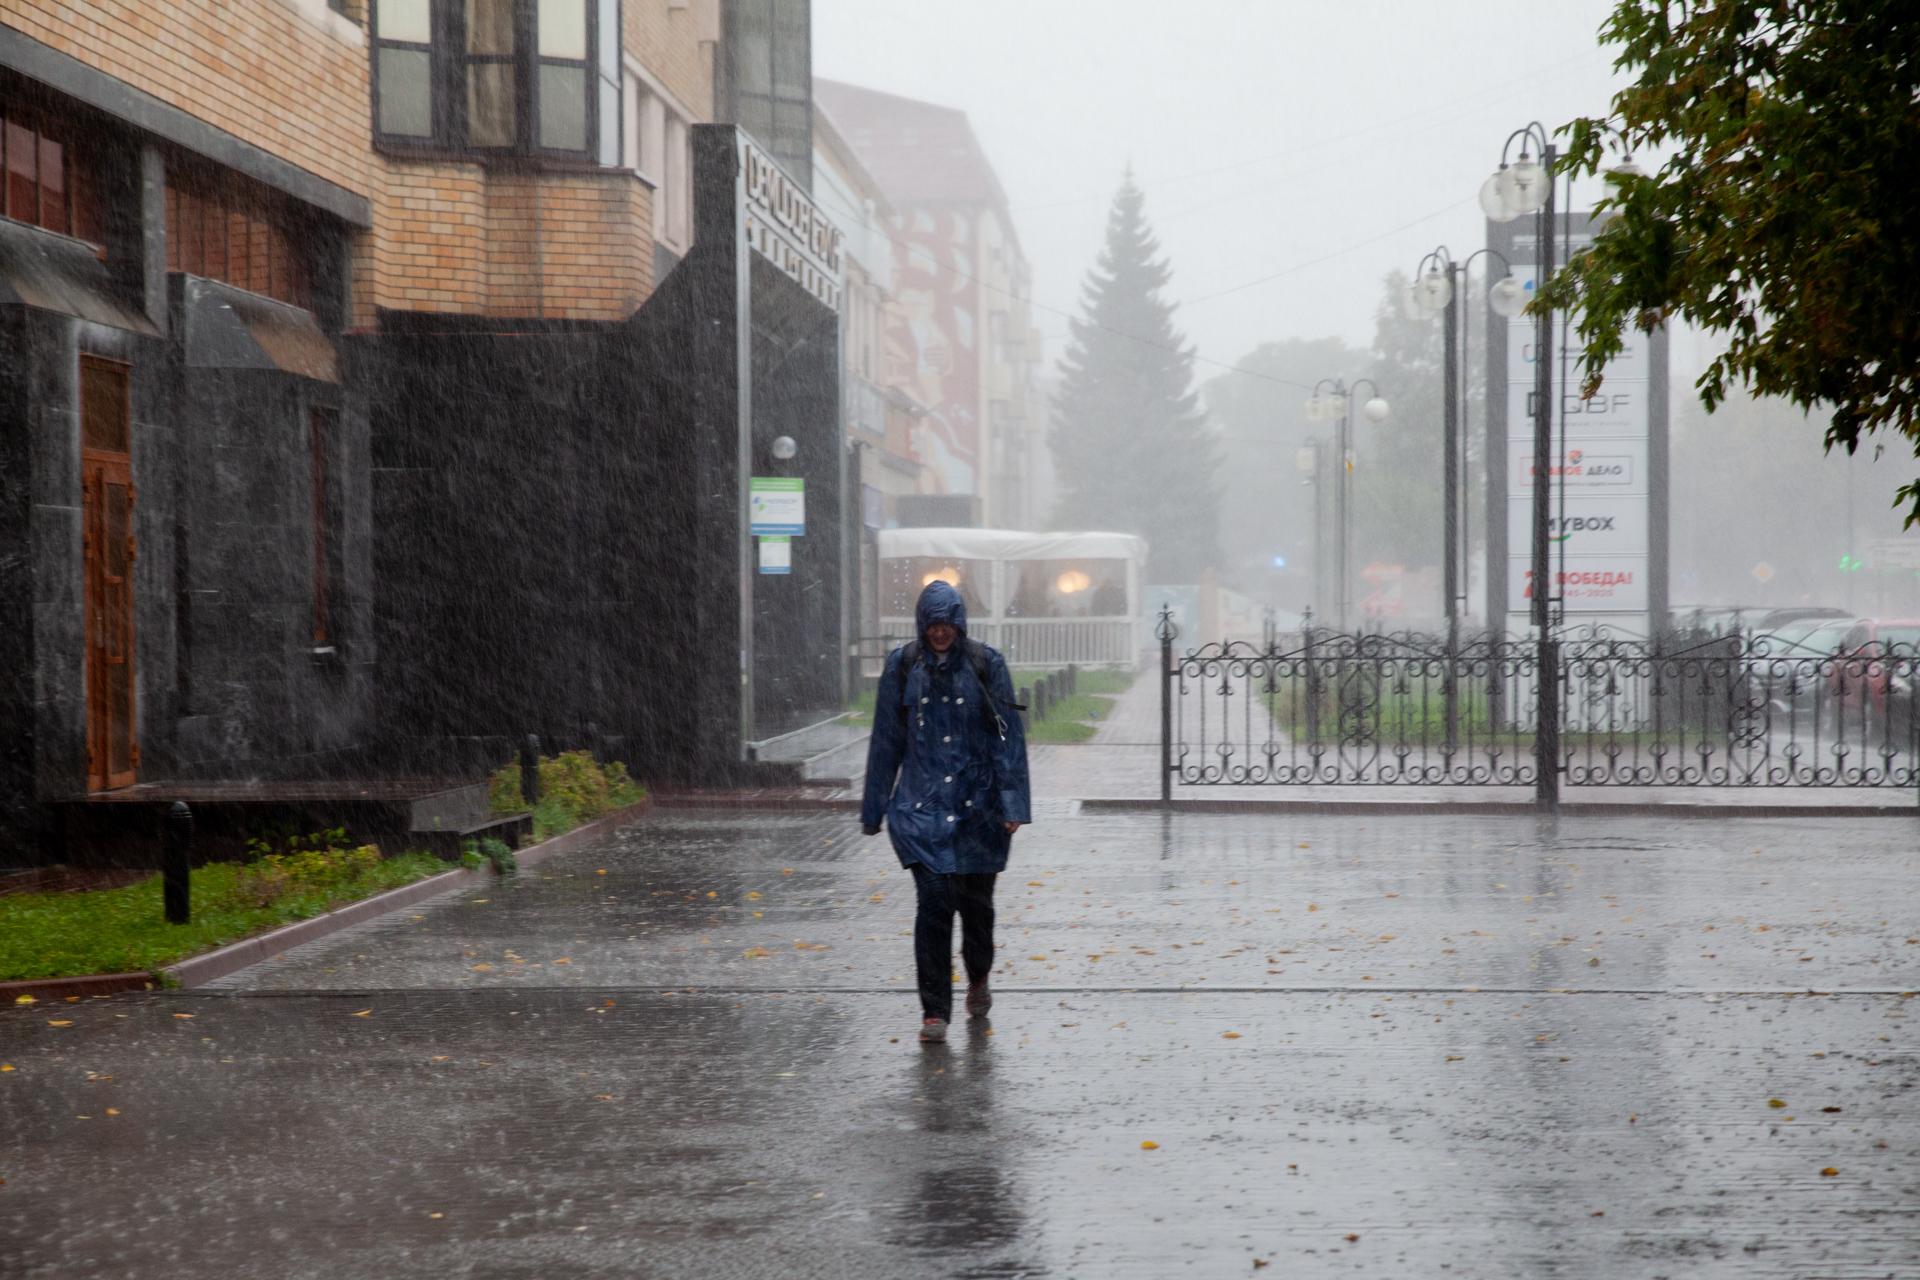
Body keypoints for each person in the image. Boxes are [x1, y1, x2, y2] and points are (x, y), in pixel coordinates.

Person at [861, 580, 1030, 1043]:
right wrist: (874, 808)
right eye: (932, 625)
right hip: (922, 810)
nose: (940, 633)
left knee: (977, 909)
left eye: (947, 625)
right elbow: (886, 740)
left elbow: (1006, 738)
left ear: (959, 624)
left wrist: (1012, 802)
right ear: (922, 625)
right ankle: (933, 1010)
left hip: (980, 811)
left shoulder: (986, 664)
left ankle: (978, 977)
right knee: (933, 905)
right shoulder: (902, 666)